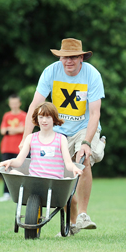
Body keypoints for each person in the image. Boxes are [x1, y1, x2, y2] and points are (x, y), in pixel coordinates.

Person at [19, 38, 105, 235]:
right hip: (58, 129)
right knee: (58, 173)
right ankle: (71, 222)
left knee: (83, 160)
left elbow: (95, 113)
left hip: (84, 127)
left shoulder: (92, 75)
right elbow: (35, 106)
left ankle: (83, 214)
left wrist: (86, 142)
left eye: (73, 57)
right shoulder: (50, 72)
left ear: (81, 58)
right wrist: (26, 137)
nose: (68, 61)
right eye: (65, 57)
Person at [0, 102, 83, 179]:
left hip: (55, 181)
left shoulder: (61, 139)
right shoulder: (31, 138)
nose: (44, 120)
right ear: (37, 118)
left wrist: (74, 168)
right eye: (41, 117)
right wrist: (9, 161)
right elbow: (19, 161)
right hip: (34, 180)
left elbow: (68, 163)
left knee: (68, 179)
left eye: (48, 117)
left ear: (54, 118)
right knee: (13, 172)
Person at [0, 94, 27, 202]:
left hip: (19, 148)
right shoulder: (6, 115)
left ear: (19, 103)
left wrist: (10, 130)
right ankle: (6, 193)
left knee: (20, 170)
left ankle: (21, 192)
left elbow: (23, 129)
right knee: (5, 169)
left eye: (16, 103)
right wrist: (16, 129)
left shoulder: (24, 115)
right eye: (12, 103)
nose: (14, 105)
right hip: (6, 147)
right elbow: (2, 131)